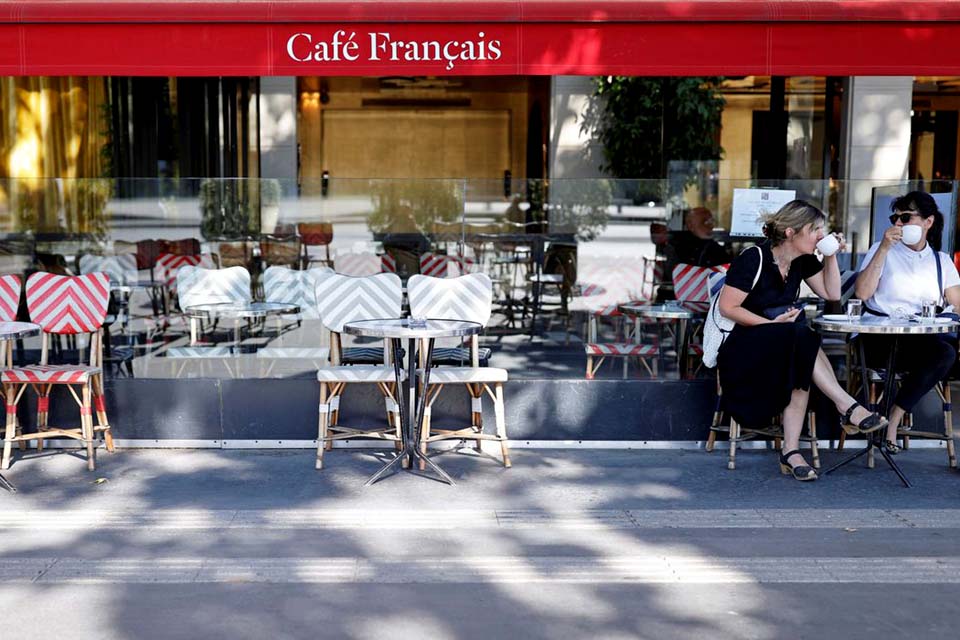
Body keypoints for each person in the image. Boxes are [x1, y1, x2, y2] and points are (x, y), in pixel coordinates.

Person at [718, 200, 887, 482]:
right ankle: (846, 407)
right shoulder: (754, 258)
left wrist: (830, 256)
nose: (821, 235)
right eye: (815, 230)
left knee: (800, 346)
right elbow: (728, 308)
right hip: (745, 347)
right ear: (790, 232)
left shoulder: (803, 259)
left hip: (784, 344)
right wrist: (771, 325)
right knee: (800, 336)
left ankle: (792, 451)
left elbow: (832, 294)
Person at [854, 191, 960, 454]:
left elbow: (958, 302)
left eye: (906, 217)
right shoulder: (881, 250)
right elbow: (862, 293)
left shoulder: (941, 261)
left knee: (946, 352)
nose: (899, 223)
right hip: (879, 339)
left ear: (928, 222)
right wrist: (884, 248)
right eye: (895, 218)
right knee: (943, 353)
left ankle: (894, 415)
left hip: (920, 343)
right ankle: (889, 421)